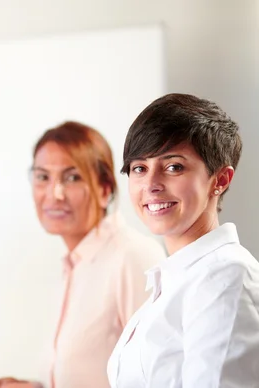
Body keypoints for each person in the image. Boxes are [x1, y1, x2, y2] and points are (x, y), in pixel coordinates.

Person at [0, 121, 165, 388]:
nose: (54, 195)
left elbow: (158, 380)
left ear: (105, 190)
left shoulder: (132, 256)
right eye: (43, 177)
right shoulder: (75, 265)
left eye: (72, 178)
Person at [107, 93, 259, 387]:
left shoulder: (224, 277)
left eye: (174, 166)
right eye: (139, 168)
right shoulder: (175, 279)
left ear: (220, 180)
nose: (151, 185)